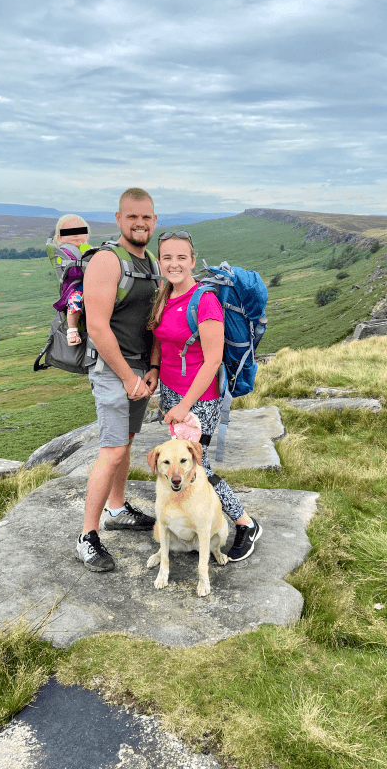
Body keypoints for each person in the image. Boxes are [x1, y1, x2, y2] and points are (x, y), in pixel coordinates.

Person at [147, 230, 263, 561]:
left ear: (193, 261)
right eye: (167, 257)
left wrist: (184, 406)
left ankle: (245, 523)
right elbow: (159, 337)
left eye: (181, 257)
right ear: (160, 261)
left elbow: (212, 359)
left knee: (201, 465)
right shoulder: (164, 295)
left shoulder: (206, 301)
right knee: (183, 463)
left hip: (199, 400)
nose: (174, 264)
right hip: (171, 392)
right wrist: (155, 370)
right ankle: (190, 516)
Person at [76, 188, 161, 572]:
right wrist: (128, 377)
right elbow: (96, 326)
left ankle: (117, 508)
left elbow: (155, 323)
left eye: (146, 217)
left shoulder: (154, 263)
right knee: (112, 448)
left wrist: (154, 369)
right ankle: (87, 537)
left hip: (141, 372)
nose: (140, 224)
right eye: (132, 217)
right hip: (114, 371)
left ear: (154, 220)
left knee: (126, 442)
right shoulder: (107, 261)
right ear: (118, 218)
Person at [51, 214, 93, 346]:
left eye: (80, 230)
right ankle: (72, 329)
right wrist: (87, 267)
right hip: (74, 286)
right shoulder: (62, 253)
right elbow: (72, 271)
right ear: (60, 237)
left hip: (92, 282)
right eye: (70, 231)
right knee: (75, 300)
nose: (76, 234)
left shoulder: (88, 248)